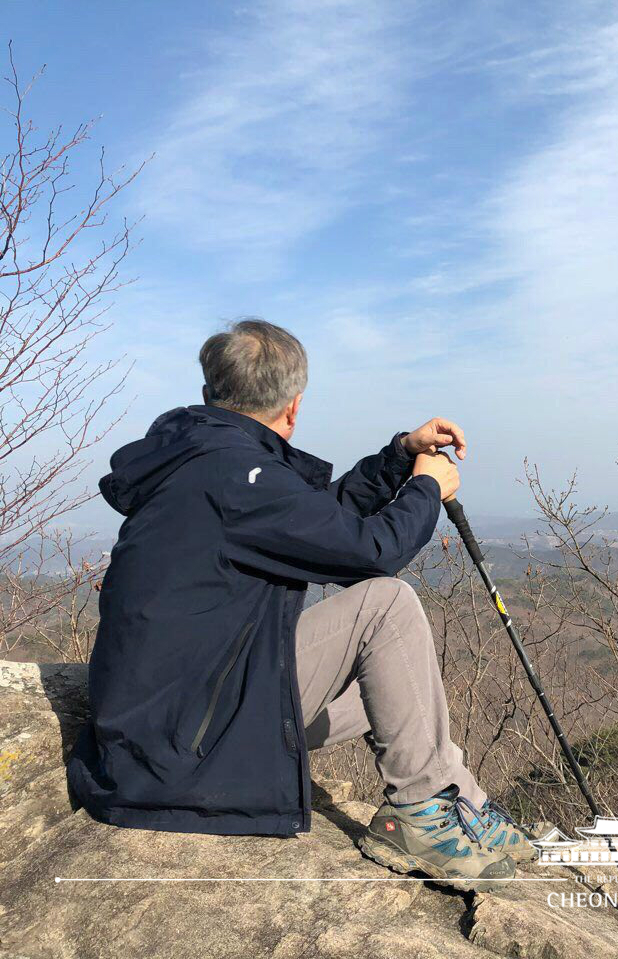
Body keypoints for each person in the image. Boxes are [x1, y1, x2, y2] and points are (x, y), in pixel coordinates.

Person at [68, 319, 535, 890]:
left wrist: (399, 456)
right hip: (185, 744)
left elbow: (316, 519)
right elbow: (372, 551)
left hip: (171, 724)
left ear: (212, 392)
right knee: (386, 605)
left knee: (393, 691)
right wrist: (426, 488)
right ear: (293, 408)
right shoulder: (236, 475)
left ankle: (460, 803)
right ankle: (417, 816)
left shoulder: (210, 464)